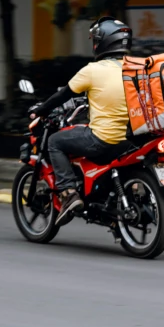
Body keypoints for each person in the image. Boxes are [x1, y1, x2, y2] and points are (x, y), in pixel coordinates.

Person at [29, 16, 133, 226]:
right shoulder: (135, 68)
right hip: (131, 140)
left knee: (55, 142)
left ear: (102, 42)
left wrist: (40, 111)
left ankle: (68, 194)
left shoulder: (93, 70)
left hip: (103, 139)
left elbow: (63, 95)